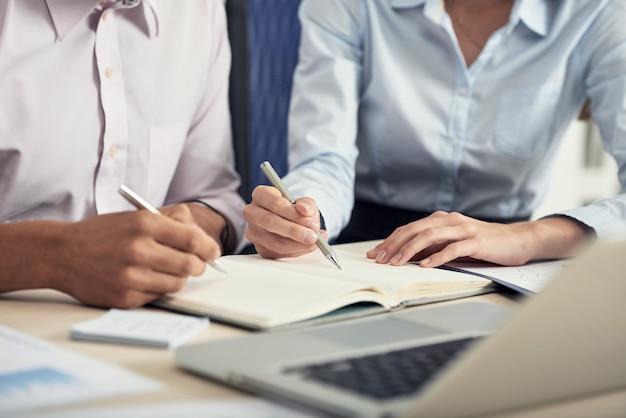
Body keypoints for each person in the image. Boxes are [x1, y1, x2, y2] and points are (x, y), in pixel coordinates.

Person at [244, 0, 626, 268]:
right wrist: (304, 217)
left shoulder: (599, 13)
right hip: (362, 245)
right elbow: (326, 156)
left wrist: (528, 238)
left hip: (509, 255)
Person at [0, 0, 247, 308]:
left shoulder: (197, 9)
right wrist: (56, 256)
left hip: (160, 320)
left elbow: (211, 194)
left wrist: (190, 228)